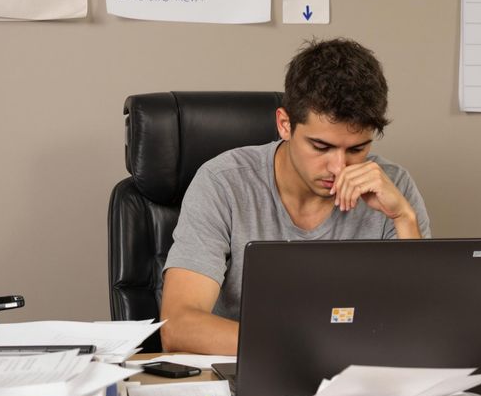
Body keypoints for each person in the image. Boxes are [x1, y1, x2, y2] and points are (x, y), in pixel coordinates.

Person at [160, 38, 431, 355]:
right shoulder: (222, 184)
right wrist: (308, 348)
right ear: (285, 124)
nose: (338, 166)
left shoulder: (391, 187)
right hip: (248, 369)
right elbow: (178, 326)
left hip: (356, 379)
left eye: (357, 149)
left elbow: (423, 326)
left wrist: (404, 219)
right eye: (321, 147)